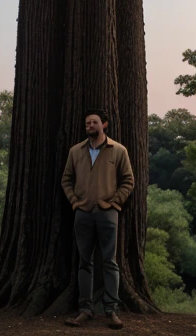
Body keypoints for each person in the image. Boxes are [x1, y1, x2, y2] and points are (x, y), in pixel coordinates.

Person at [61, 109, 134, 329]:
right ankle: (85, 309)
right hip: (82, 214)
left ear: (104, 124)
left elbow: (128, 181)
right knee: (85, 263)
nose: (90, 126)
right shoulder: (76, 151)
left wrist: (113, 203)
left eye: (94, 122)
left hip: (107, 214)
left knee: (110, 262)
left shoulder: (118, 150)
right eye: (87, 123)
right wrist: (75, 202)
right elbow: (66, 180)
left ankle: (112, 310)